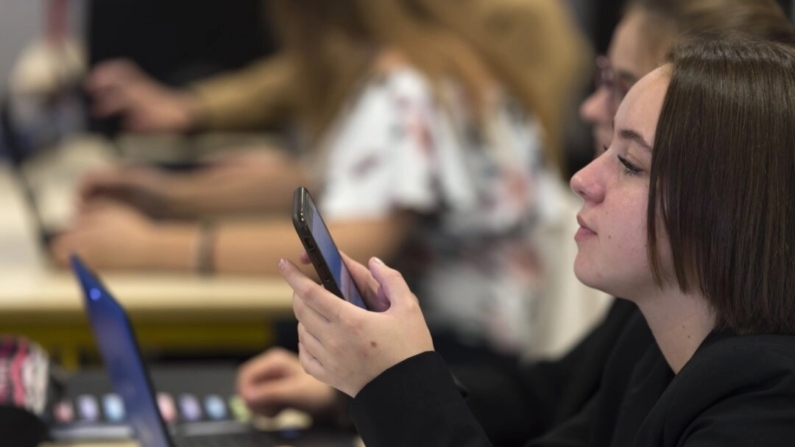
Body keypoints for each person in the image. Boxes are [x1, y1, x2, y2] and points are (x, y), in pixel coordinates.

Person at [235, 1, 795, 445]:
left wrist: (394, 381)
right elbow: (546, 404)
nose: (580, 178)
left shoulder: (765, 405)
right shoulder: (655, 349)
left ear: (726, 199)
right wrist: (374, 382)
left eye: (629, 160)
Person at [53, 0, 589, 356]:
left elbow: (352, 242)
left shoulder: (409, 88)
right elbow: (327, 181)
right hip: (447, 341)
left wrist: (149, 248)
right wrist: (166, 197)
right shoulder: (425, 65)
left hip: (457, 355)